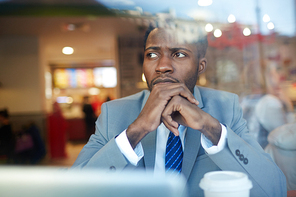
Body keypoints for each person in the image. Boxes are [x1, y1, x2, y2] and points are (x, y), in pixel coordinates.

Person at [72, 25, 286, 196]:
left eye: (179, 54)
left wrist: (209, 127)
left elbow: (274, 189)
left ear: (200, 66)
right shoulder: (114, 114)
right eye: (152, 54)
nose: (162, 66)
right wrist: (135, 131)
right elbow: (72, 190)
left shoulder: (225, 108)